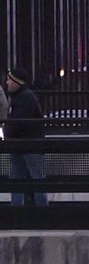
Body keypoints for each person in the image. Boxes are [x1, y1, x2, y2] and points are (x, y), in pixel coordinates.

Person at [4, 68, 47, 206]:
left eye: (10, 80)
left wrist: (8, 133)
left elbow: (18, 122)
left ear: (18, 82)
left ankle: (40, 209)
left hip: (28, 144)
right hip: (21, 144)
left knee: (32, 177)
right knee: (22, 177)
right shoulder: (22, 96)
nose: (7, 82)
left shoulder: (25, 98)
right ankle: (23, 208)